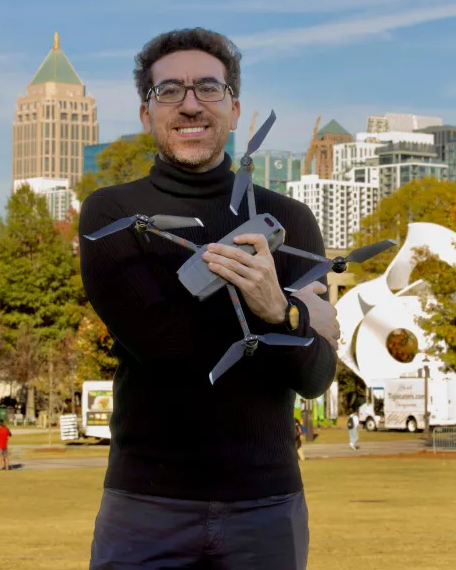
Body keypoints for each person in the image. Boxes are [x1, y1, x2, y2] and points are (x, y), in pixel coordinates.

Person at [79, 28, 339, 570]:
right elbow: (165, 346)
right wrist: (286, 312)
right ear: (146, 113)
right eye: (169, 90)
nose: (190, 103)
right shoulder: (110, 215)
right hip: (146, 507)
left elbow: (314, 378)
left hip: (267, 507)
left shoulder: (289, 220)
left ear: (235, 108)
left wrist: (279, 311)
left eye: (208, 88)